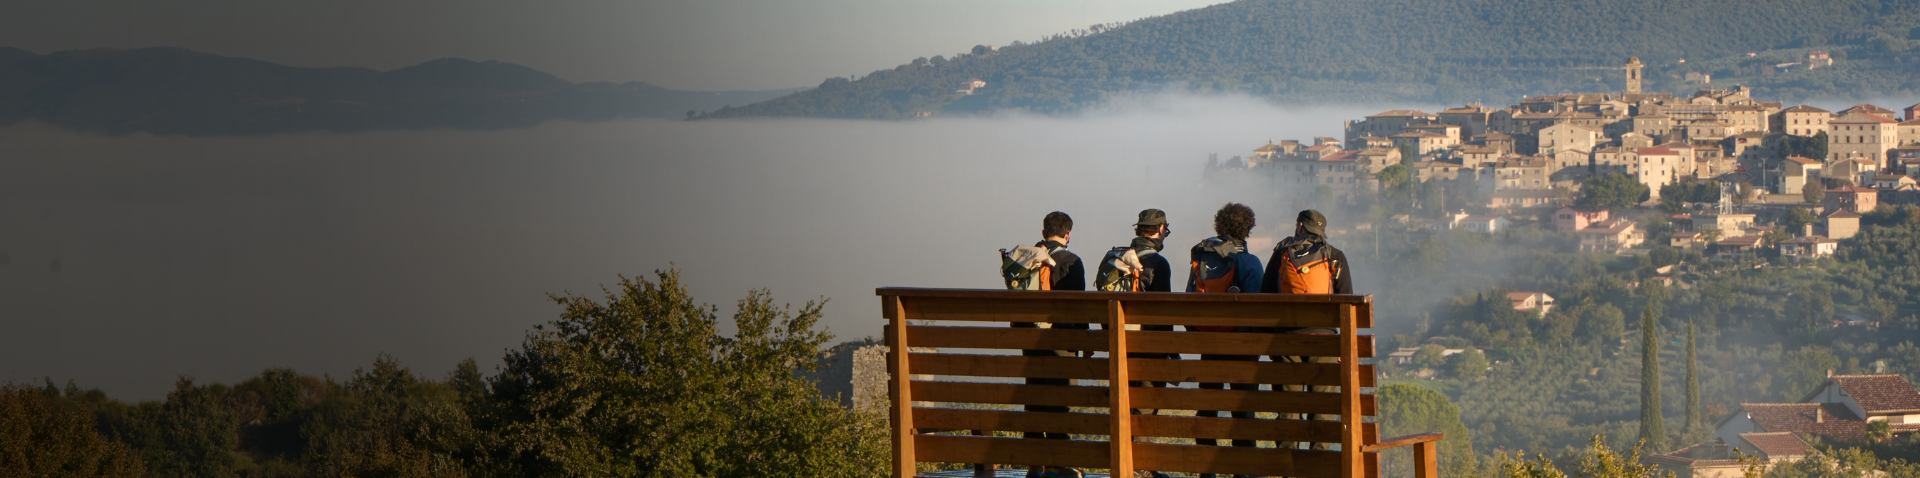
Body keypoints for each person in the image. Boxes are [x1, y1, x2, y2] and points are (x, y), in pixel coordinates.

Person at [1260, 209, 1354, 454]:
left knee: (1287, 408)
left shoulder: (1281, 253)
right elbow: (1347, 302)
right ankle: (1318, 463)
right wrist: (1341, 346)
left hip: (1286, 341)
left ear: (1299, 226)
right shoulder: (1334, 256)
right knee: (1322, 408)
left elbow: (1264, 297)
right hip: (1324, 342)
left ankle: (1287, 461)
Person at [1186, 203, 1263, 474]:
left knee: (1208, 409)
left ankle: (1206, 472)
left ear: (1220, 227)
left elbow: (1189, 307)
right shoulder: (1250, 263)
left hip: (1209, 348)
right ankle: (1241, 472)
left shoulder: (1203, 258)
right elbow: (1257, 315)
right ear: (1248, 229)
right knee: (1243, 414)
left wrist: (1204, 338)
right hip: (1242, 352)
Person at [1012, 212, 1086, 478]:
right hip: (1060, 344)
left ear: (1044, 233)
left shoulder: (1024, 258)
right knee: (1059, 400)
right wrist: (1084, 342)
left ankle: (1034, 464)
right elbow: (1080, 310)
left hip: (1029, 342)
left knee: (1033, 398)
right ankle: (1057, 463)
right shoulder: (1072, 261)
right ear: (1068, 234)